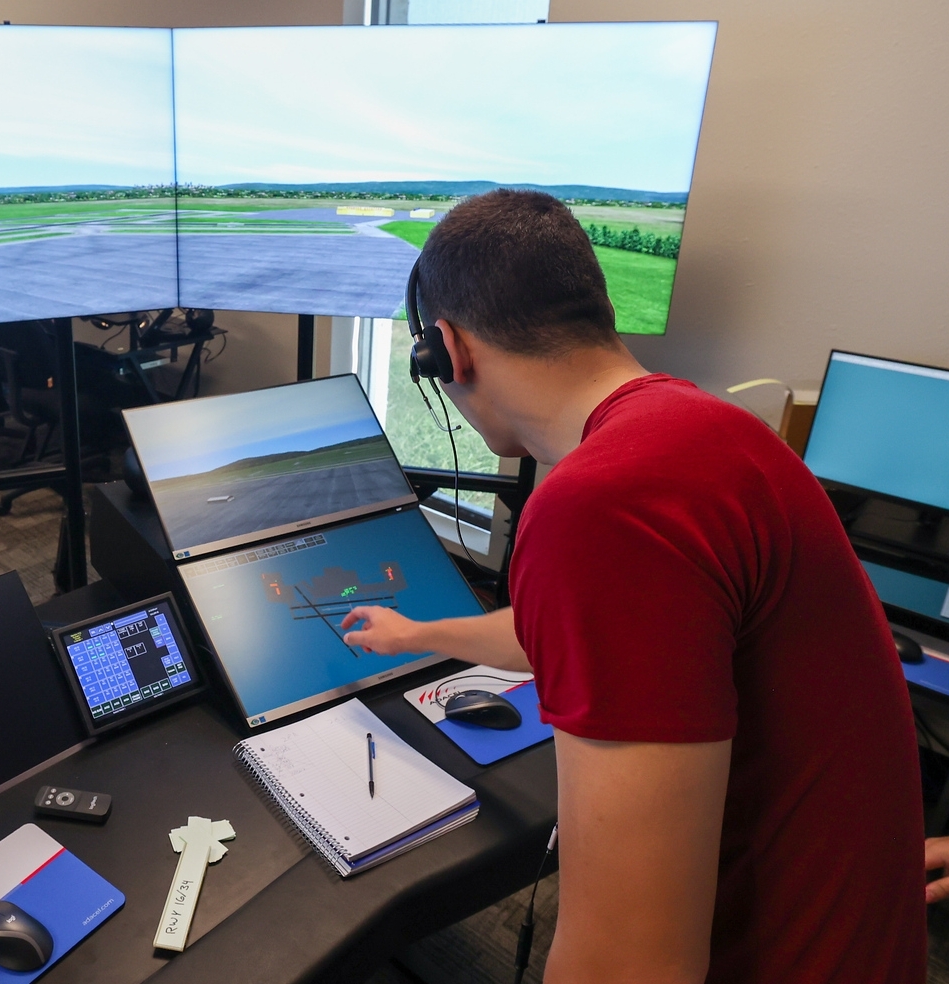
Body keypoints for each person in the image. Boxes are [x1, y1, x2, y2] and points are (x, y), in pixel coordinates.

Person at [340, 190, 924, 983]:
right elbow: (572, 630)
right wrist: (416, 636)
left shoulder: (600, 502)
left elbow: (630, 964)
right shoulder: (707, 434)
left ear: (446, 349)